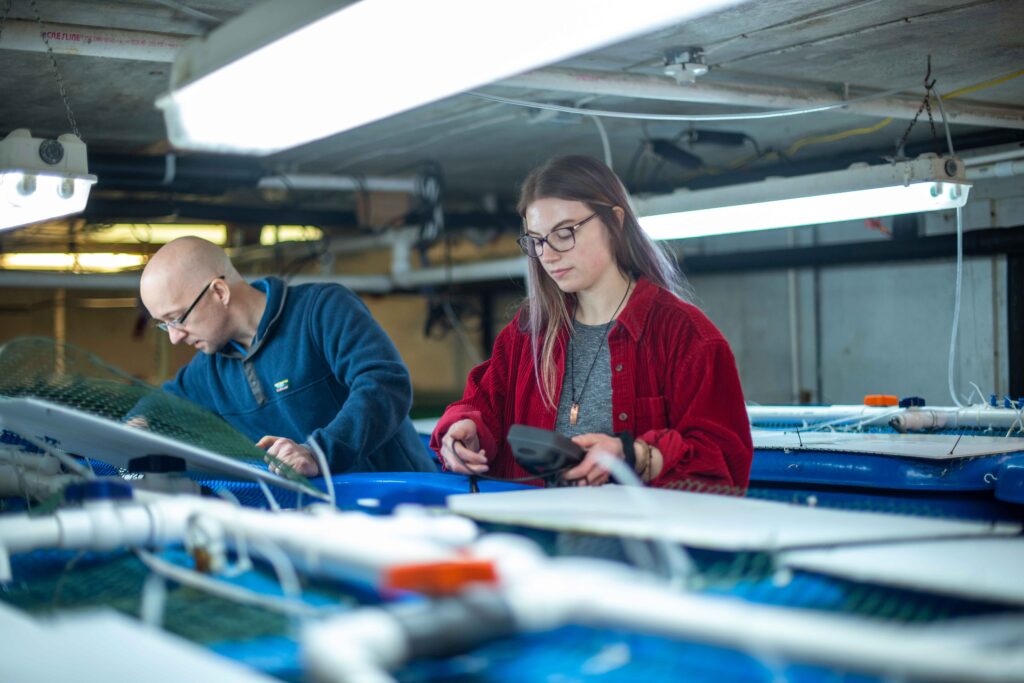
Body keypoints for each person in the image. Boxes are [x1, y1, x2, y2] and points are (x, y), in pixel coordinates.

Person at [431, 155, 752, 489]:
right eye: (537, 240)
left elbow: (725, 460)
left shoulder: (686, 337)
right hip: (537, 533)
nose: (549, 255)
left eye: (564, 233)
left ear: (614, 222)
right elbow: (480, 407)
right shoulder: (528, 333)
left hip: (638, 537)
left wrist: (636, 455)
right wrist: (462, 431)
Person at [138, 236, 435, 477]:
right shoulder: (208, 370)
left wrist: (318, 453)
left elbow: (385, 384)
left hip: (397, 501)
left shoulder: (321, 310)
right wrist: (132, 425)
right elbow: (159, 407)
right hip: (310, 518)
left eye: (178, 318)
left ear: (219, 292)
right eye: (166, 325)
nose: (175, 337)